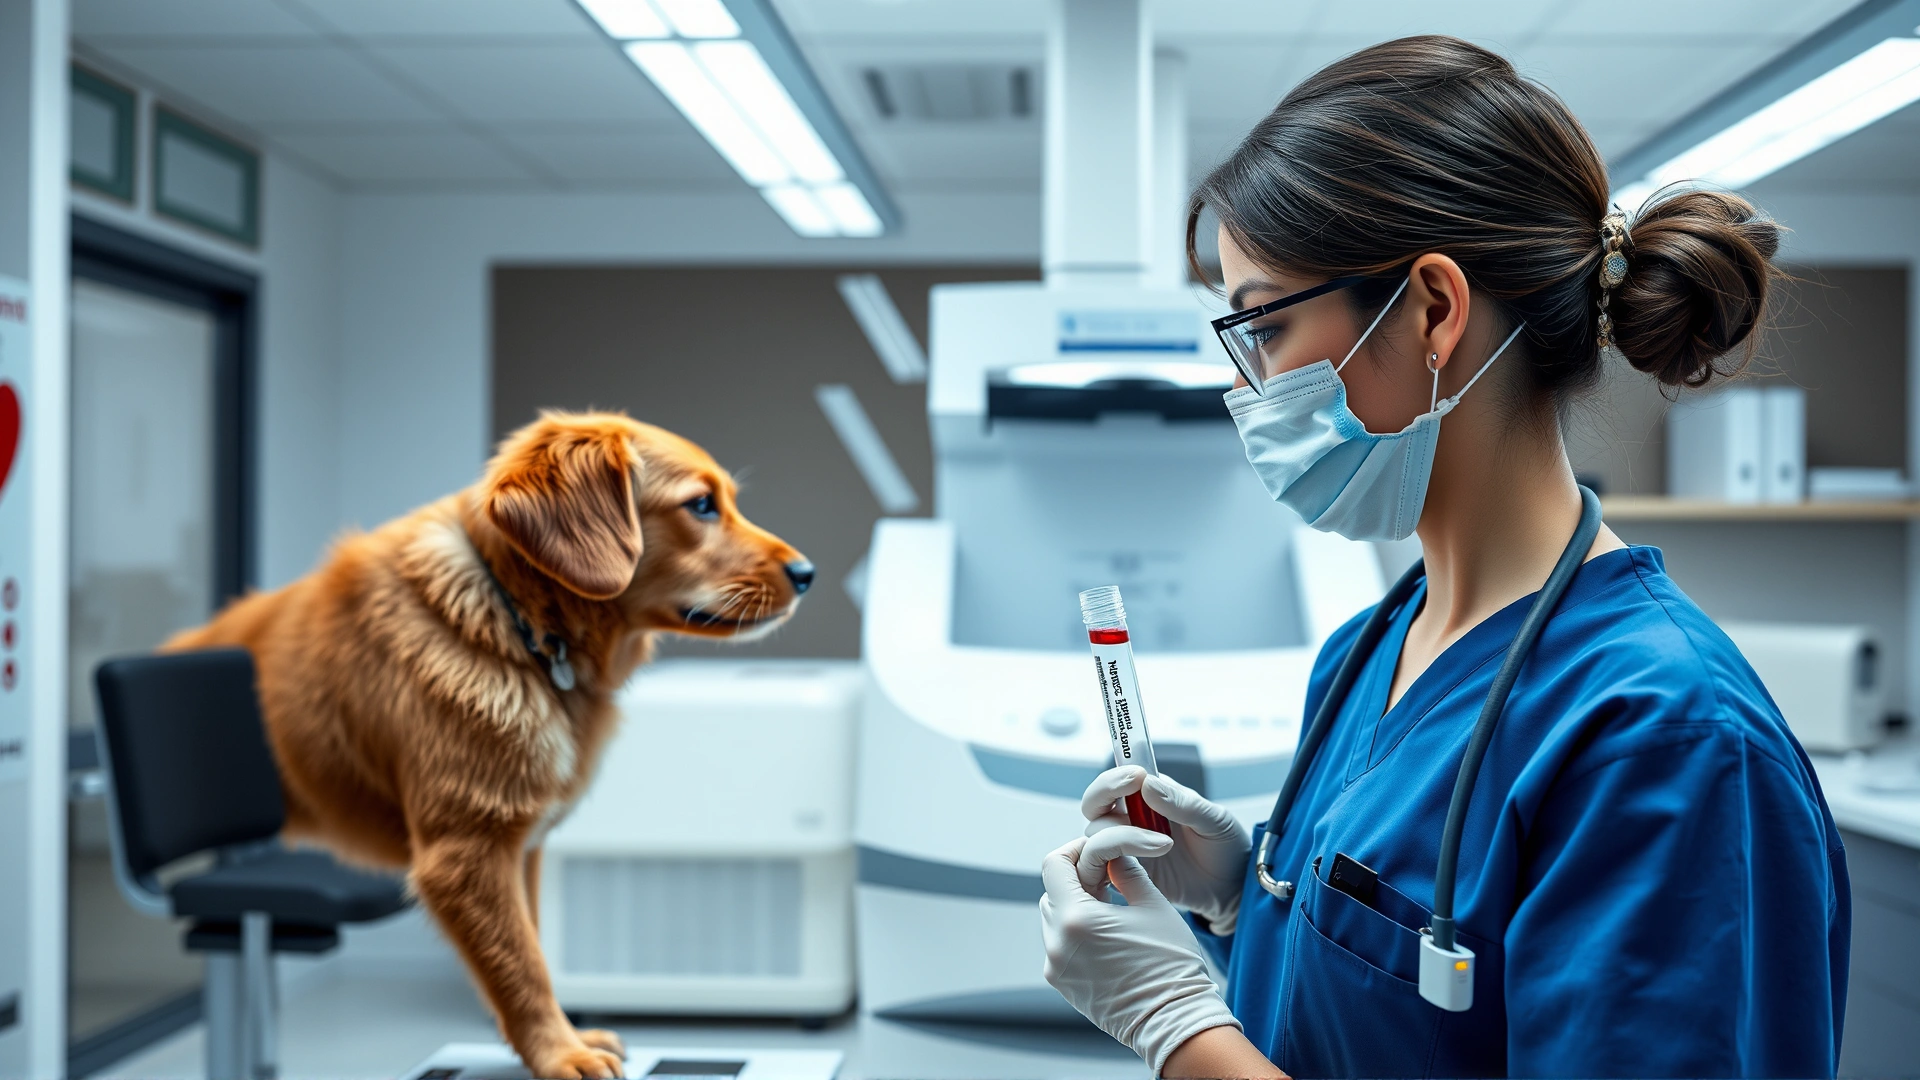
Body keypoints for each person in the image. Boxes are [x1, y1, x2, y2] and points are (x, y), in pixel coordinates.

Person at [1038, 35, 1849, 1080]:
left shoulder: (1666, 741)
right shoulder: (1369, 651)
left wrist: (1182, 1035)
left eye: (1264, 328)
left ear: (1430, 309)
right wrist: (1251, 908)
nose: (1248, 387)